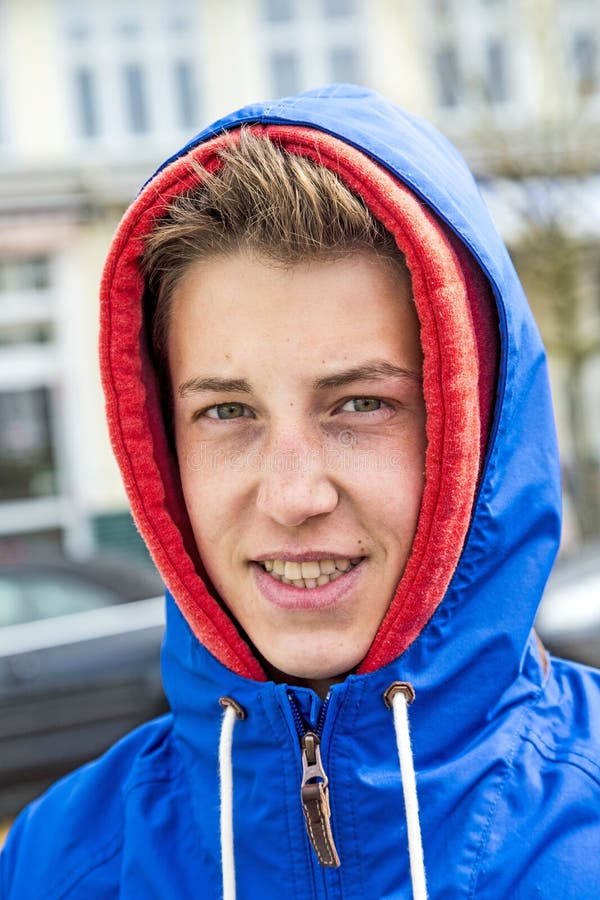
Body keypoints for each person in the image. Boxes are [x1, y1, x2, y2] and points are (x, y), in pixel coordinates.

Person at [2, 84, 599, 899]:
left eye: (360, 404)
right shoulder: (57, 864)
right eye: (226, 410)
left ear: (475, 434)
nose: (292, 495)